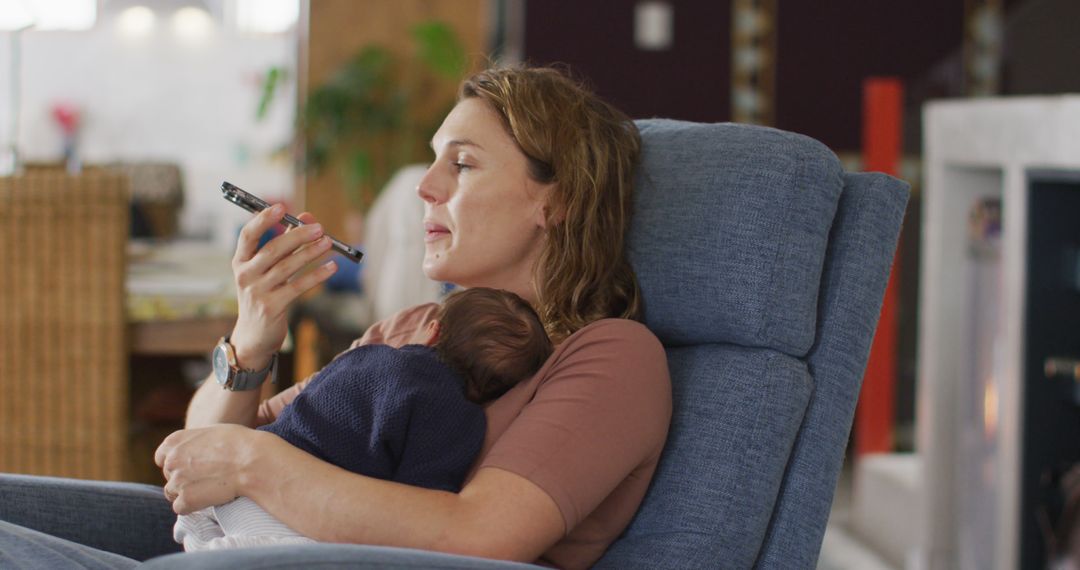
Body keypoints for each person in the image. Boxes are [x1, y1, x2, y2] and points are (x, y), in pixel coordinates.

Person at [0, 64, 672, 569]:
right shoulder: (412, 329)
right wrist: (254, 336)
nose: (425, 185)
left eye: (462, 165)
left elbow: (481, 535)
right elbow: (206, 459)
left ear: (555, 201)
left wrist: (249, 461)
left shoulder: (610, 355)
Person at [174, 287, 553, 551]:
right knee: (263, 550)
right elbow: (420, 500)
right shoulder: (461, 420)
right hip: (285, 513)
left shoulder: (372, 354)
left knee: (219, 534)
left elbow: (302, 403)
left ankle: (202, 537)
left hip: (231, 489)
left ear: (434, 331)